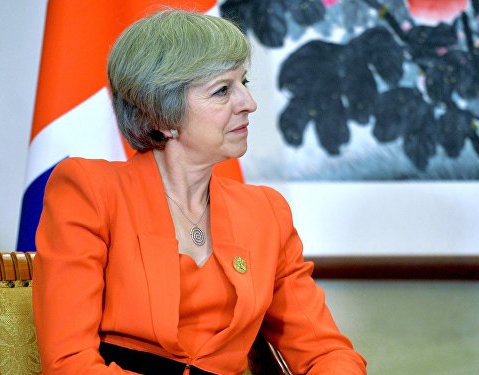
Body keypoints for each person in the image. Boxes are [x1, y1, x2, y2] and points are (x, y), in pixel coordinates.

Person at [33, 8, 367, 375]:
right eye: (223, 90)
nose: (248, 104)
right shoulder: (89, 190)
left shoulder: (265, 212)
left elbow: (326, 353)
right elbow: (70, 364)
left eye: (245, 83)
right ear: (162, 115)